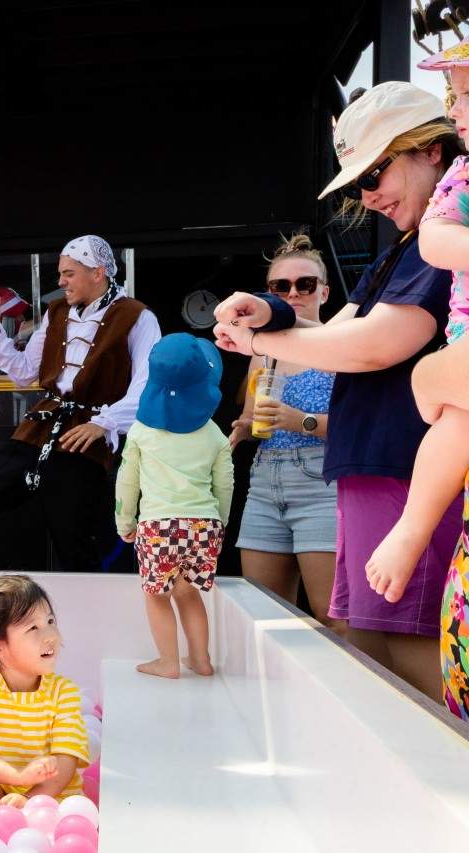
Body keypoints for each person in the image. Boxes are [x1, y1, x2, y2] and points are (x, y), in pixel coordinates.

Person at [212, 82, 462, 699]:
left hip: (408, 473)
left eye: (376, 170)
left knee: (414, 655)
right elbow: (341, 328)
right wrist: (268, 315)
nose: (369, 194)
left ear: (433, 149)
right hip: (375, 468)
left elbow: (377, 343)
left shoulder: (444, 238)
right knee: (372, 648)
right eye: (357, 183)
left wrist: (265, 338)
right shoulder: (411, 244)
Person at [0, 235, 161, 571]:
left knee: (72, 539)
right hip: (40, 427)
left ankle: (85, 614)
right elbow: (24, 373)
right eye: (60, 273)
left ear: (98, 272)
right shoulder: (56, 312)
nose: (60, 281)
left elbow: (147, 385)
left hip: (85, 438)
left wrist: (103, 423)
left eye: (68, 273)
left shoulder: (137, 317)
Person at [363, 44, 469, 719]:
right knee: (454, 423)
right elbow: (437, 240)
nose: (454, 112)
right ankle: (410, 527)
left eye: (463, 96)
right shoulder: (462, 175)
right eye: (454, 97)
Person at [229, 235, 339, 630]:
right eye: (281, 287)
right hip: (265, 480)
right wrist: (242, 428)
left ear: (323, 291)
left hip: (321, 483)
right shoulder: (262, 349)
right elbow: (254, 417)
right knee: (265, 615)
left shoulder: (342, 346)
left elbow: (360, 428)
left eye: (305, 284)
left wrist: (302, 421)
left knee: (331, 616)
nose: (294, 293)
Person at [115, 334, 233, 679]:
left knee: (157, 595)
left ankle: (168, 661)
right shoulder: (214, 434)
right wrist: (219, 522)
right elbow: (225, 484)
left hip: (158, 526)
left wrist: (125, 522)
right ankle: (201, 659)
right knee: (187, 591)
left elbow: (127, 482)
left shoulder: (140, 432)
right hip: (205, 526)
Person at [0, 574, 88, 805]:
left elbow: (65, 762)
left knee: (67, 806)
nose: (50, 636)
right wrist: (17, 777)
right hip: (1, 787)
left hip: (50, 797)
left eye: (50, 622)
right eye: (33, 627)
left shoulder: (63, 693)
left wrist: (28, 799)